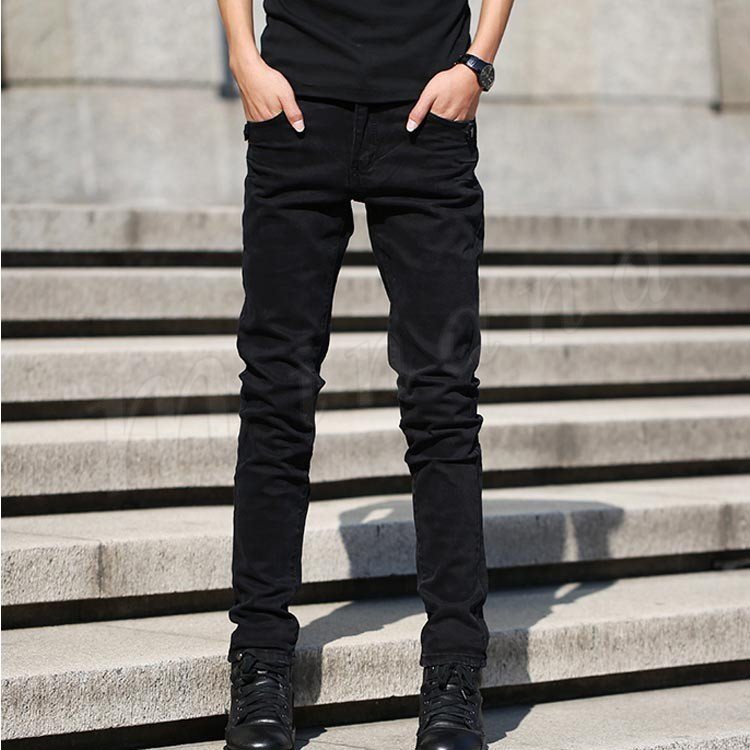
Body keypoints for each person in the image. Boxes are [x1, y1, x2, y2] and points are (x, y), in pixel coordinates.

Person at [217, 0, 515, 747]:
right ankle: (260, 661)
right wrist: (244, 58)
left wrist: (477, 63)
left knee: (442, 398)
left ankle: (454, 671)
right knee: (277, 393)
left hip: (427, 120)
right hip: (297, 113)